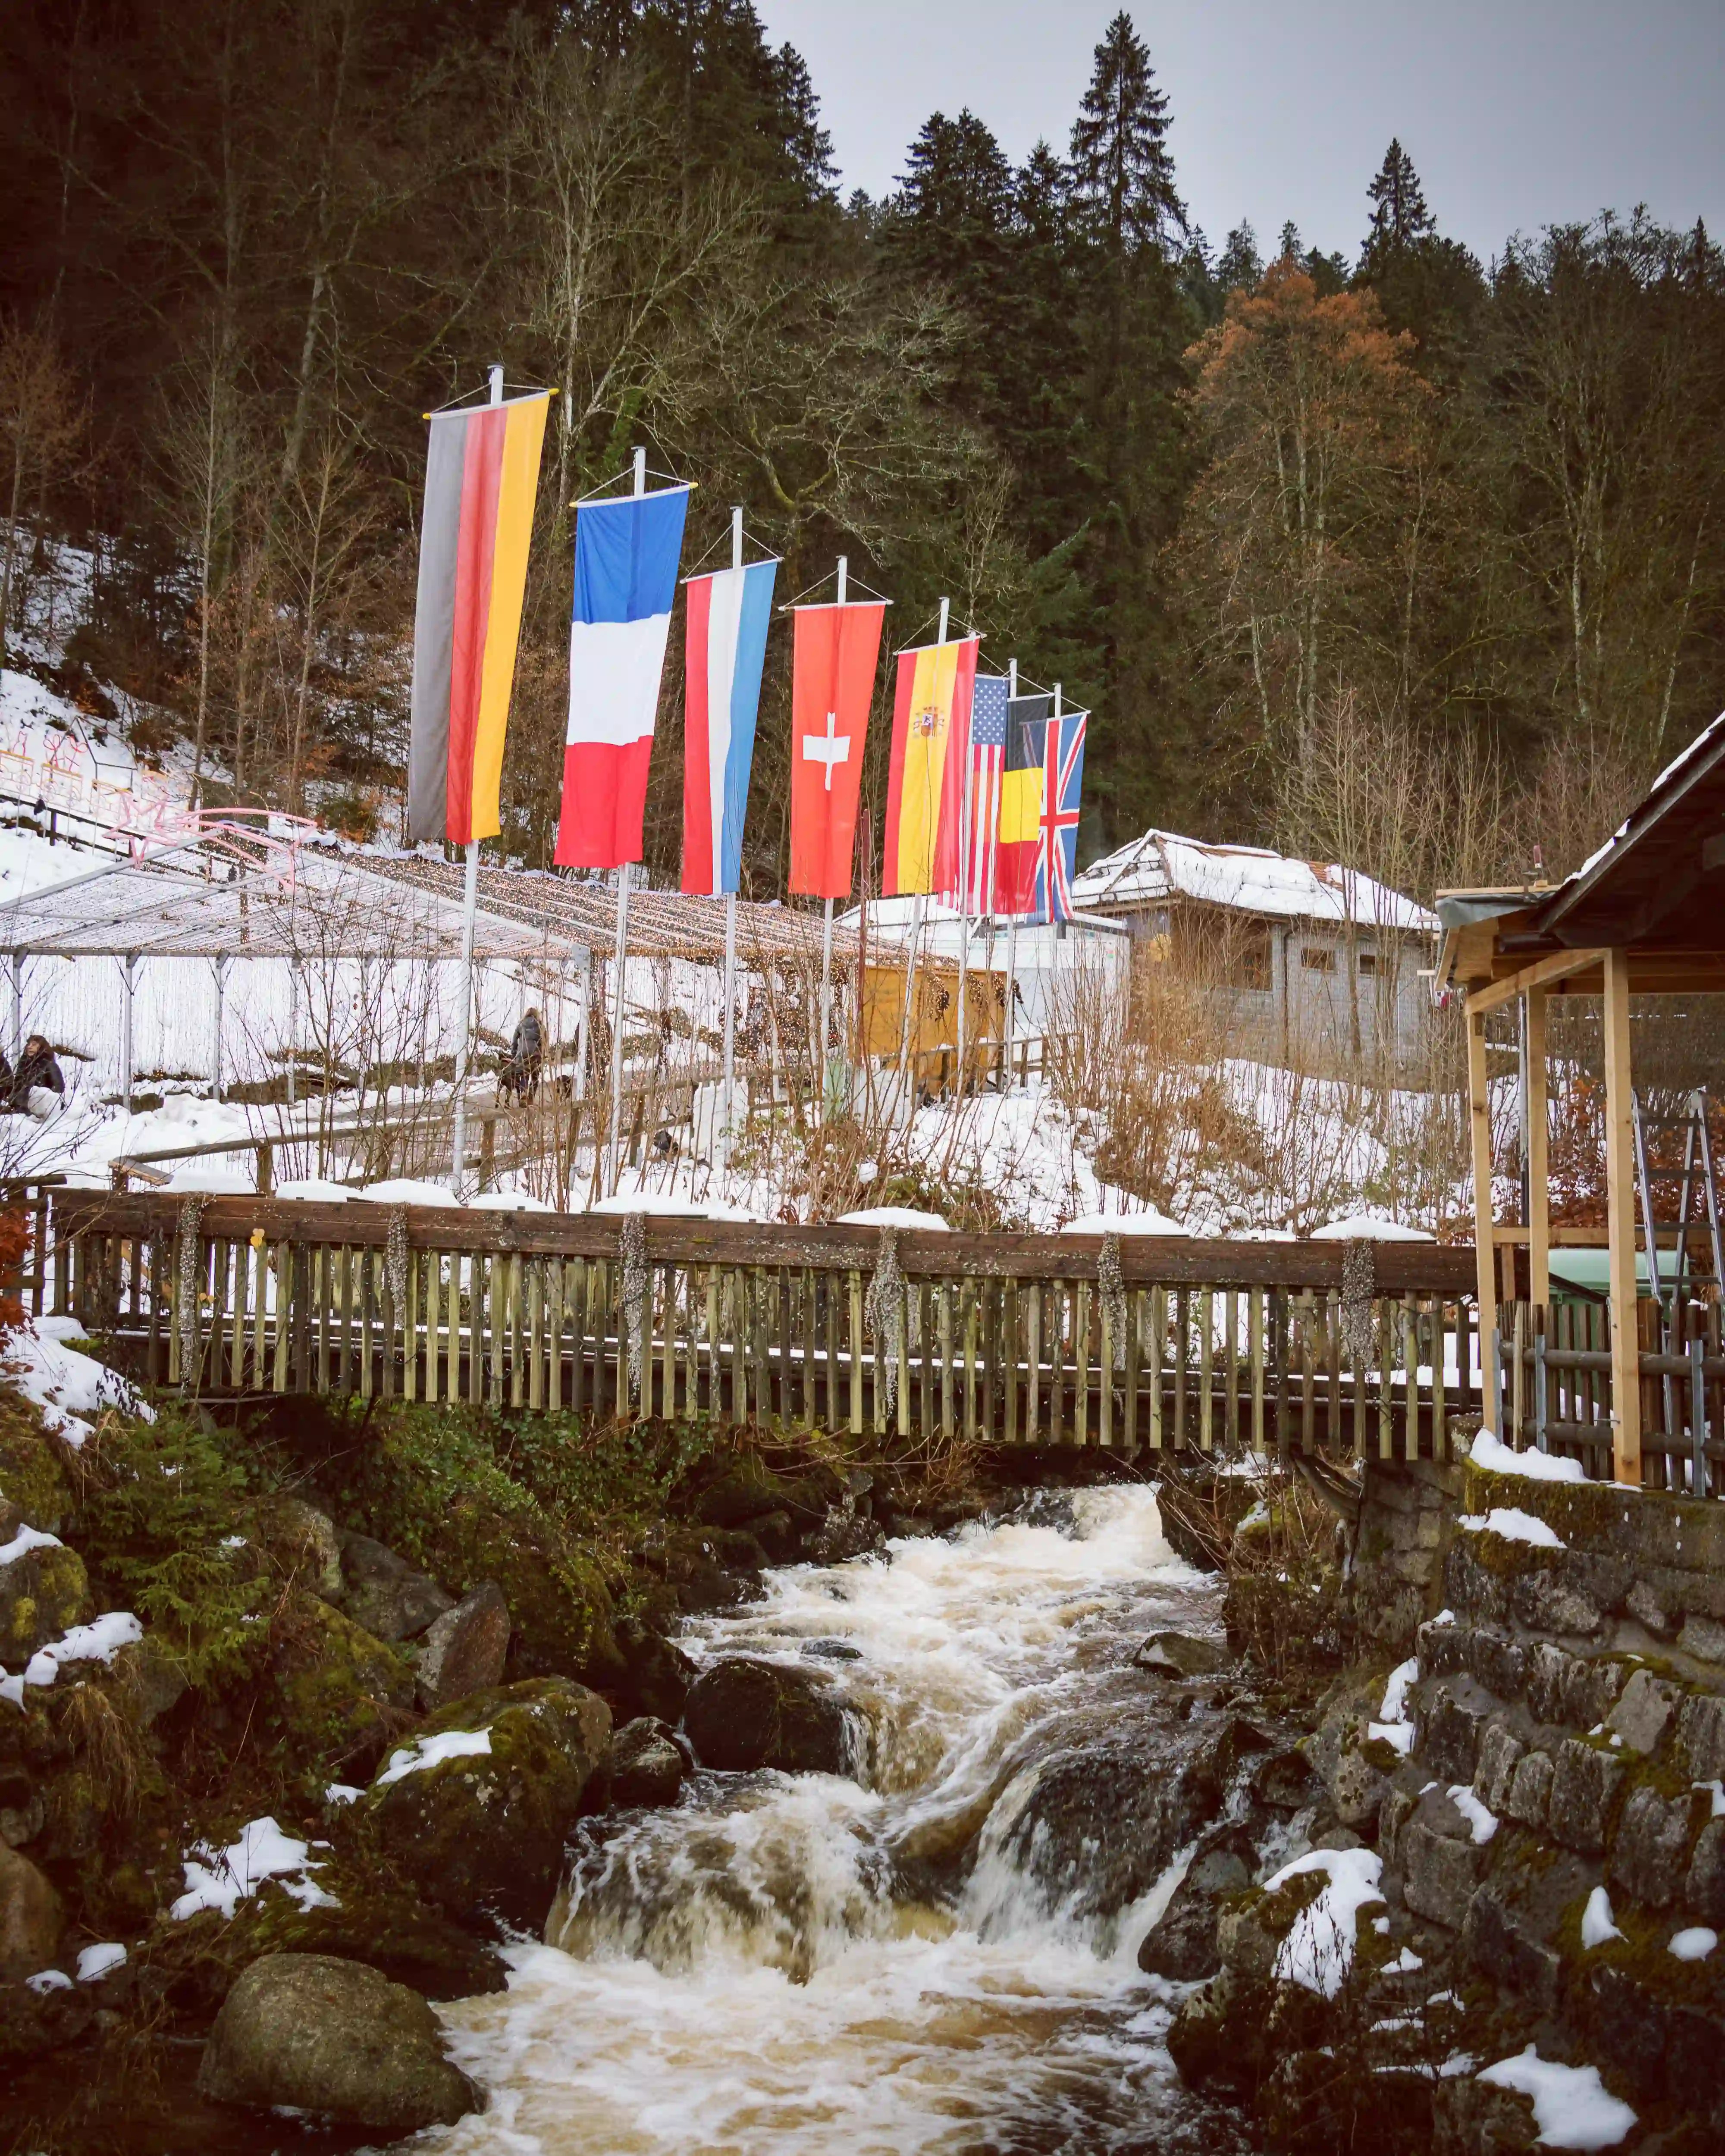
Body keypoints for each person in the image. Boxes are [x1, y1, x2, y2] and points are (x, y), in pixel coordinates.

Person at [501, 1008, 543, 1103]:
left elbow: (515, 1041)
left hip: (522, 1052)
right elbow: (543, 1042)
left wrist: (514, 1054)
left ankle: (524, 1093)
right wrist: (541, 1055)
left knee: (525, 1073)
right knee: (535, 1076)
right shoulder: (540, 1026)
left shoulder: (521, 1025)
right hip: (535, 1052)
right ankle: (531, 1098)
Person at [12, 1034, 63, 1112]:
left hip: (38, 1110)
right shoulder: (24, 1063)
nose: (29, 1047)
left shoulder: (49, 1064)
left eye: (34, 1045)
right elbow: (17, 1085)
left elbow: (58, 1088)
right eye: (28, 1044)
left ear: (42, 1047)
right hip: (19, 1109)